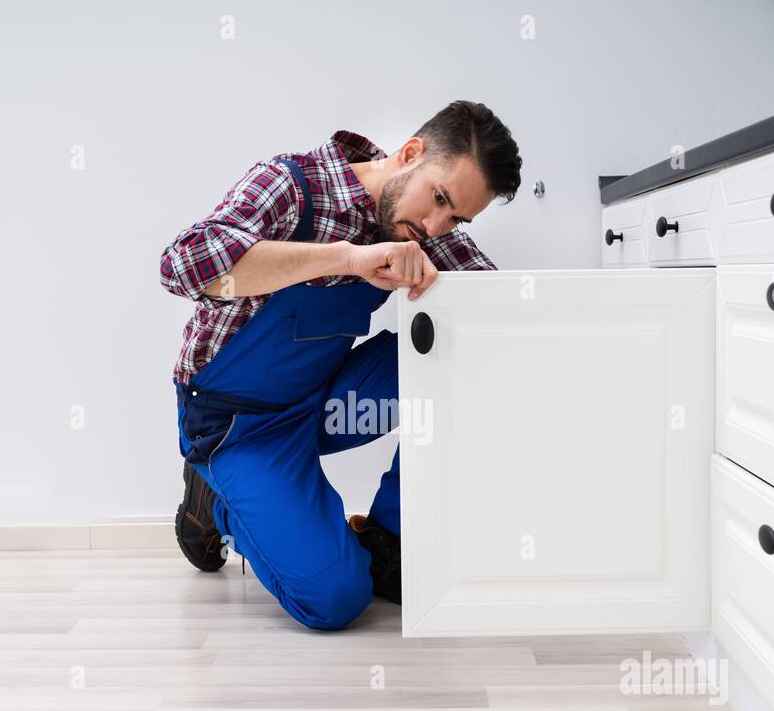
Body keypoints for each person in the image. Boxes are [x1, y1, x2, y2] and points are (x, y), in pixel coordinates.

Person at [159, 100, 522, 630]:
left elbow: (494, 316)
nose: (434, 226)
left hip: (326, 406)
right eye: (438, 199)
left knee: (461, 352)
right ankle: (213, 501)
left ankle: (388, 539)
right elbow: (182, 266)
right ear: (411, 154)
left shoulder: (420, 230)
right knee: (336, 600)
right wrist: (347, 257)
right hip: (237, 428)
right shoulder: (290, 185)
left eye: (455, 218)